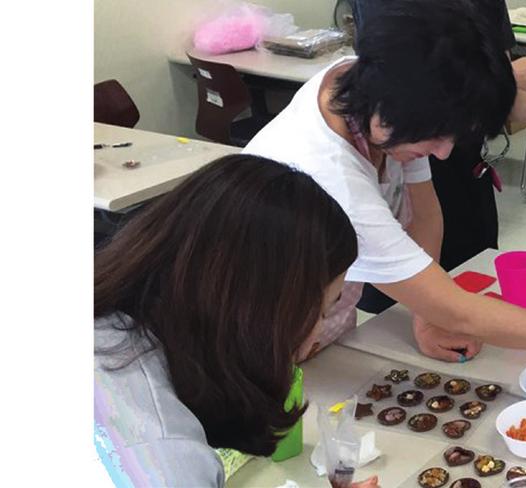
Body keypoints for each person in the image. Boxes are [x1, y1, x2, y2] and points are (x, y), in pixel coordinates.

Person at [244, 0, 526, 370]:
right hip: (262, 319)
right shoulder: (333, 179)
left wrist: (426, 315)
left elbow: (425, 213)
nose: (444, 153)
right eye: (437, 137)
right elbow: (458, 311)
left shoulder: (381, 100)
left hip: (327, 309)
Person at [94, 155, 376, 487]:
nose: (316, 336)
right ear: (266, 312)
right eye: (322, 311)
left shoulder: (113, 326)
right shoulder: (165, 461)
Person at [349, 0, 526, 314]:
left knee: (472, 281)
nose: (442, 150)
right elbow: (403, 82)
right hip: (403, 158)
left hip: (465, 175)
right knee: (398, 316)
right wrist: (507, 77)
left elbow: (491, 97)